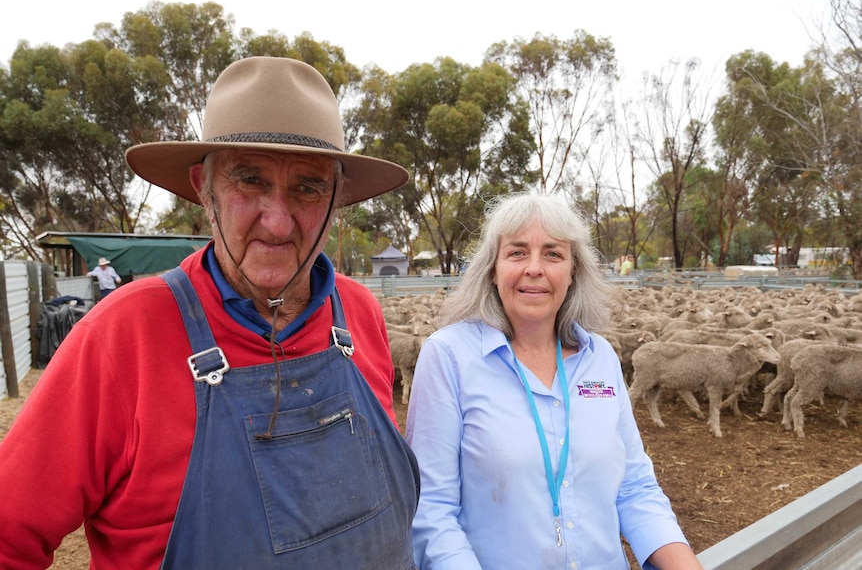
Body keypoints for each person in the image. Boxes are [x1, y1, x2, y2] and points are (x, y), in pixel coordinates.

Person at [0, 57, 419, 569]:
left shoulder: (358, 312)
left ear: (337, 200)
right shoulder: (123, 335)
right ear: (204, 187)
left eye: (307, 187)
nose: (277, 219)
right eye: (249, 180)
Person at [406, 192, 703, 569]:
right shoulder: (449, 357)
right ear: (492, 269)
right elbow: (432, 510)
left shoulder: (601, 358)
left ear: (573, 270)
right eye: (516, 252)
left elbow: (635, 487)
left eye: (552, 253)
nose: (534, 268)